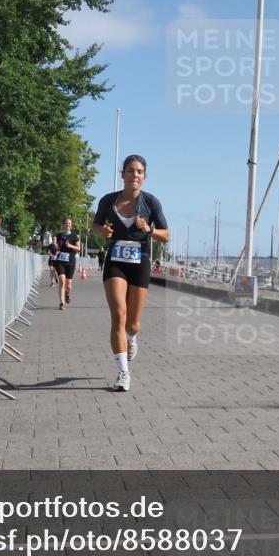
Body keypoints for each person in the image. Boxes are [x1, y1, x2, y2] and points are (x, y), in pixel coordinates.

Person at [93, 155, 169, 392]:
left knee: (133, 323)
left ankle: (132, 338)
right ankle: (123, 372)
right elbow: (96, 226)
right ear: (122, 174)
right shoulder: (108, 200)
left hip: (139, 261)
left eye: (139, 171)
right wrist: (103, 231)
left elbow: (166, 235)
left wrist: (149, 230)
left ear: (144, 177)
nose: (135, 175)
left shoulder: (151, 202)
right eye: (130, 170)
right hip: (115, 260)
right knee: (119, 314)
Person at [53, 218, 81, 310]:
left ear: (71, 225)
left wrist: (70, 246)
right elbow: (57, 247)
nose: (68, 225)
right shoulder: (59, 235)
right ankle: (61, 303)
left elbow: (78, 249)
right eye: (66, 223)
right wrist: (55, 246)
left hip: (70, 261)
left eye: (69, 223)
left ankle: (67, 293)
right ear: (63, 225)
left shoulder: (74, 236)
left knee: (68, 285)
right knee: (62, 282)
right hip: (60, 260)